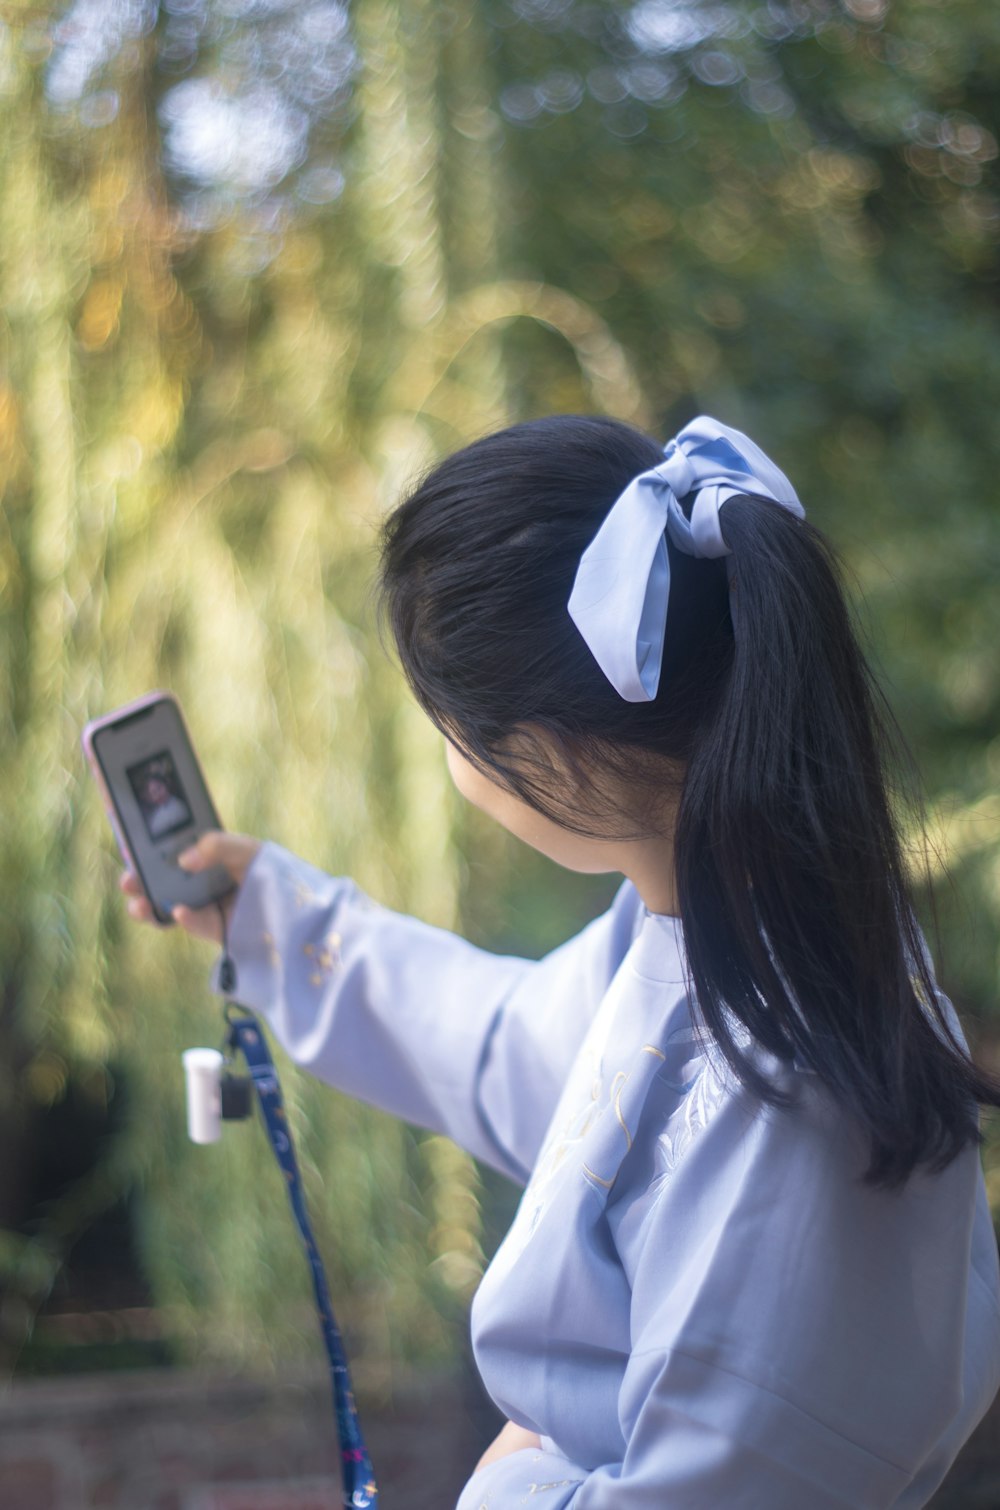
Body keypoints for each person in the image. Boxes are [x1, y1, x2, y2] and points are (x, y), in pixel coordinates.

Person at [122, 415, 1000, 1508]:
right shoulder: (731, 931)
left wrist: (515, 1474)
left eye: (449, 725)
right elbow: (502, 1044)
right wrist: (271, 918)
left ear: (546, 754)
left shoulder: (784, 1087)